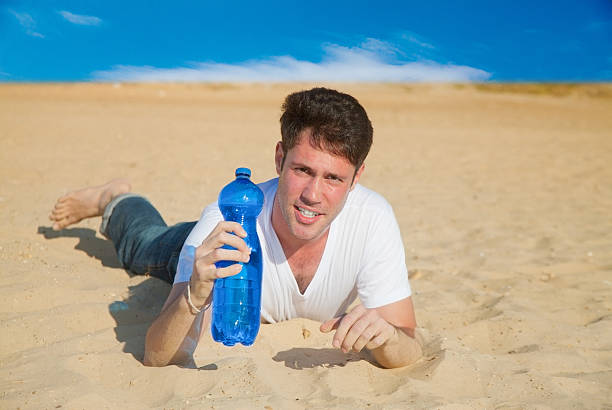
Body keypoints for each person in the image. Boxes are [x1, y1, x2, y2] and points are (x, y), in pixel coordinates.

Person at [49, 87, 422, 369]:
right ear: (279, 158)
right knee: (142, 246)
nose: (313, 194)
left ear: (357, 178)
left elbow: (408, 341)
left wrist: (388, 337)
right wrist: (193, 295)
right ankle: (113, 199)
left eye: (334, 179)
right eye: (302, 170)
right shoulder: (224, 221)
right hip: (212, 251)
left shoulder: (372, 218)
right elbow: (156, 355)